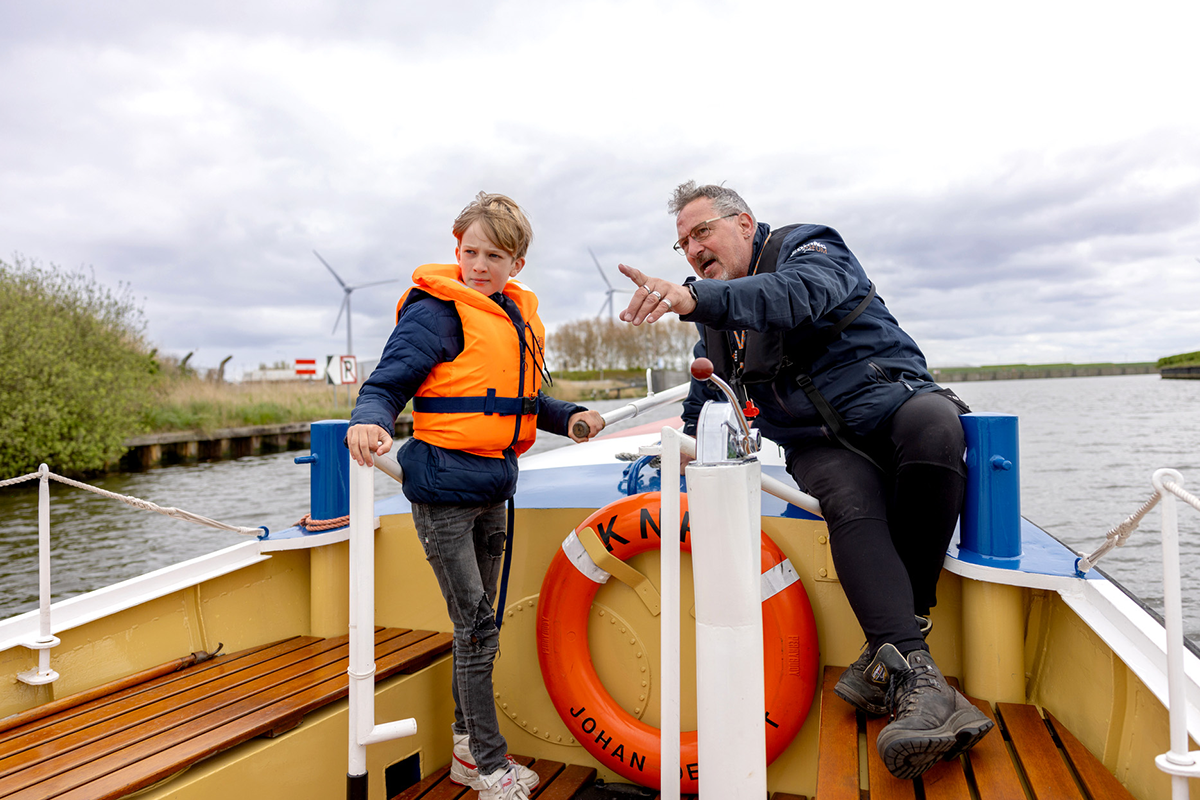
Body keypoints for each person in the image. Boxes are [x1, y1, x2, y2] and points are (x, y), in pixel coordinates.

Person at [616, 181, 992, 780]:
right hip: (815, 442)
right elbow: (704, 395)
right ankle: (920, 679)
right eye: (682, 244)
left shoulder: (811, 249)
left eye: (701, 232)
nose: (691, 250)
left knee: (937, 427)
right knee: (847, 499)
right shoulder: (715, 324)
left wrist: (695, 297)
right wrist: (680, 451)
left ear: (744, 224)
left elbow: (790, 297)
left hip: (892, 403)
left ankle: (894, 660)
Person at [347, 192, 604, 800]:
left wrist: (569, 416)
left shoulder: (512, 316)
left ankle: (466, 747)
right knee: (478, 628)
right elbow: (387, 381)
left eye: (494, 254)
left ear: (517, 263)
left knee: (478, 627)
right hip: (442, 493)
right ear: (455, 248)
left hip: (493, 486)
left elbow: (522, 401)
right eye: (470, 251)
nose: (479, 265)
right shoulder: (437, 313)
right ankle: (490, 770)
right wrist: (368, 418)